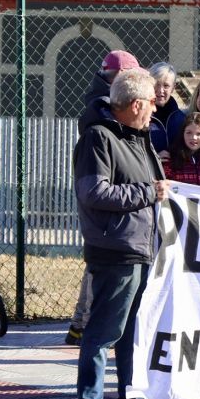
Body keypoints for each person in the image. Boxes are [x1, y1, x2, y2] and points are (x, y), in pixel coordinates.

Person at [73, 68, 180, 399]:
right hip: (115, 251)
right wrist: (148, 192)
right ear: (136, 105)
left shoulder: (139, 138)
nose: (156, 107)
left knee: (134, 335)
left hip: (140, 249)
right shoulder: (98, 138)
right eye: (151, 101)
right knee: (103, 333)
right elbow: (94, 192)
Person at [67, 49, 142, 347]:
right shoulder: (102, 110)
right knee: (100, 272)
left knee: (97, 270)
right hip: (109, 212)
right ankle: (85, 328)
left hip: (111, 210)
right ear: (120, 77)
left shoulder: (100, 103)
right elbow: (98, 186)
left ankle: (83, 325)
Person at [147, 62, 184, 154]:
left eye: (166, 86)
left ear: (173, 88)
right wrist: (155, 157)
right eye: (156, 84)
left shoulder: (182, 118)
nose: (160, 90)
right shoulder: (140, 117)